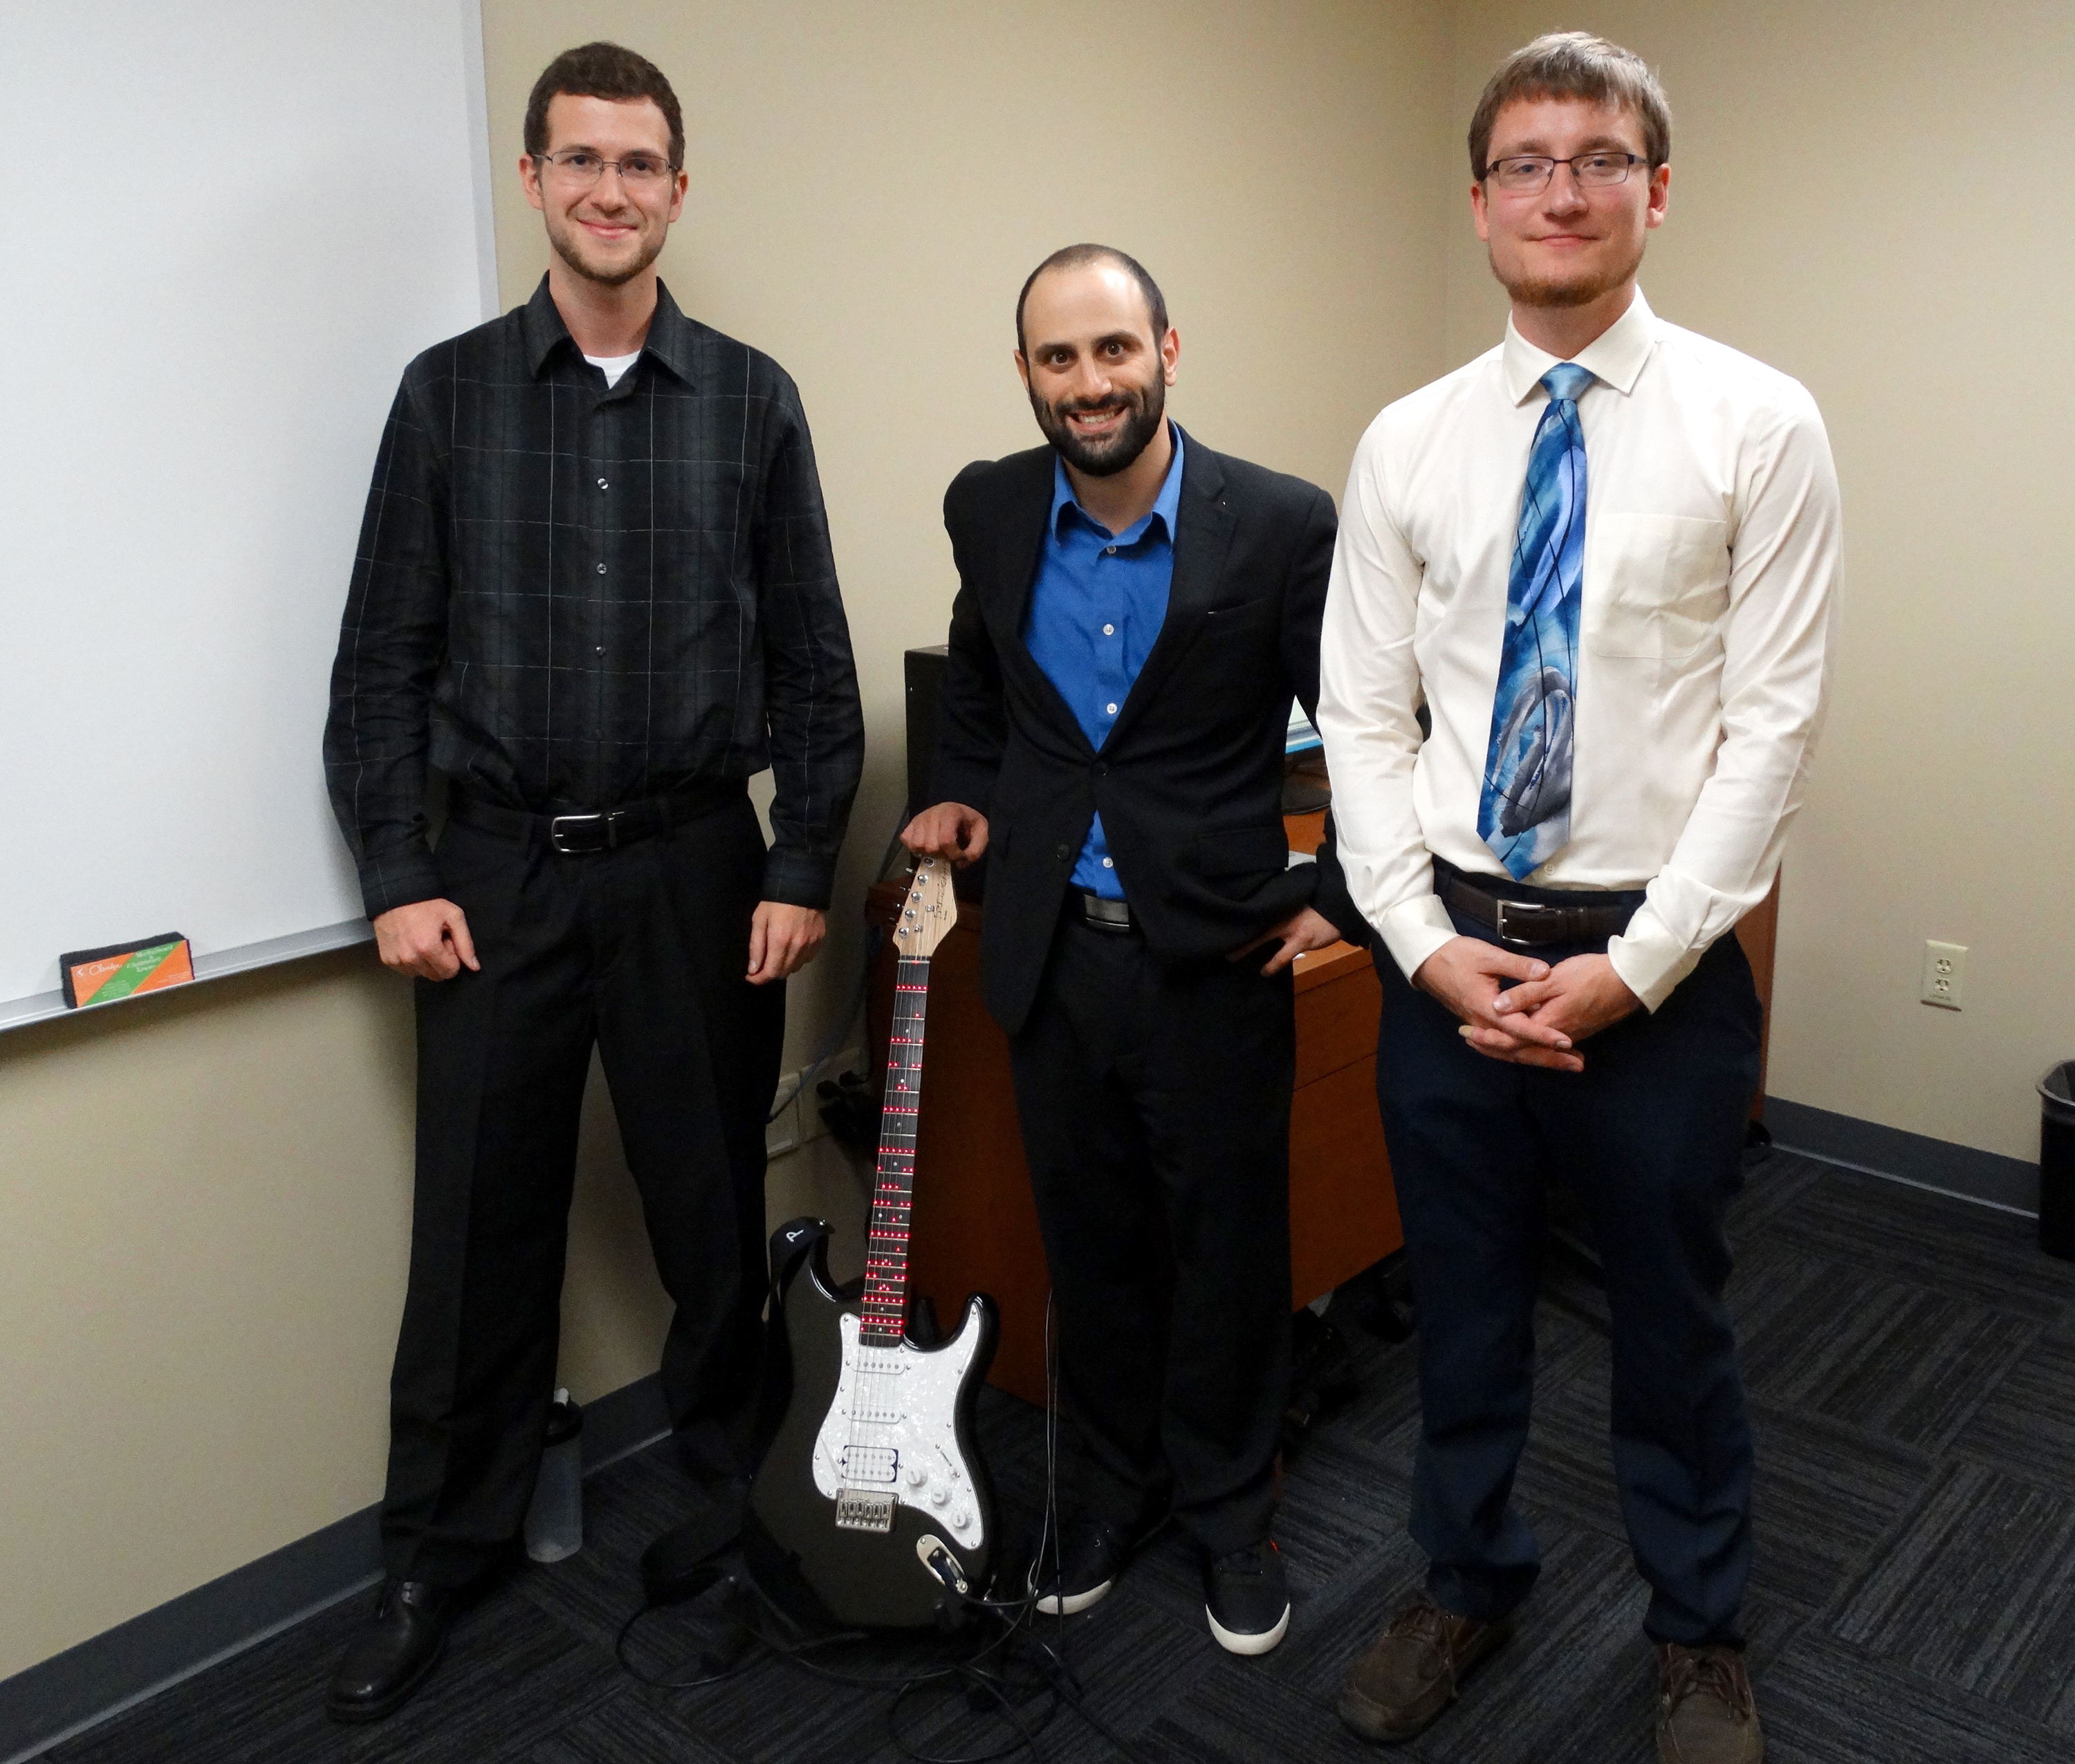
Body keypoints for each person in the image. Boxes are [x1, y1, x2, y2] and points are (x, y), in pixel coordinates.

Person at [318, 41, 863, 1722]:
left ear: (677, 189)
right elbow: (380, 668)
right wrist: (399, 868)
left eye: (642, 164)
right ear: (536, 182)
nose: (612, 191)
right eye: (582, 162)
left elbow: (821, 673)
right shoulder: (449, 395)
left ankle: (739, 1509)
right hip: (495, 877)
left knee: (711, 1216)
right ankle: (439, 1550)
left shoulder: (756, 399)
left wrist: (795, 861)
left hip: (699, 868)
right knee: (479, 1231)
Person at [1317, 31, 1840, 1763]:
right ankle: (1466, 1580)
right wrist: (1419, 943)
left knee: (1672, 1320)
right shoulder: (1406, 442)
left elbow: (1770, 736)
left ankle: (1698, 1632)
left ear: (1658, 192)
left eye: (1600, 159)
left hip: (1658, 965)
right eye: (1528, 162)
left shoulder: (1760, 424)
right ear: (1478, 205)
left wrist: (1639, 964)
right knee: (1459, 1306)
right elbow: (1369, 722)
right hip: (1452, 947)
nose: (1563, 188)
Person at [902, 243, 1366, 1655]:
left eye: (1113, 350)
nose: (1087, 382)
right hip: (1051, 957)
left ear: (1168, 349)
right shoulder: (985, 507)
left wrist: (1337, 888)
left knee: (1227, 1252)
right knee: (1088, 1247)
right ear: (1028, 375)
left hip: (1214, 961)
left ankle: (1232, 1515)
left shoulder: (1280, 522)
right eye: (1058, 358)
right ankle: (1107, 1493)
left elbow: (1368, 714)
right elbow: (979, 668)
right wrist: (970, 789)